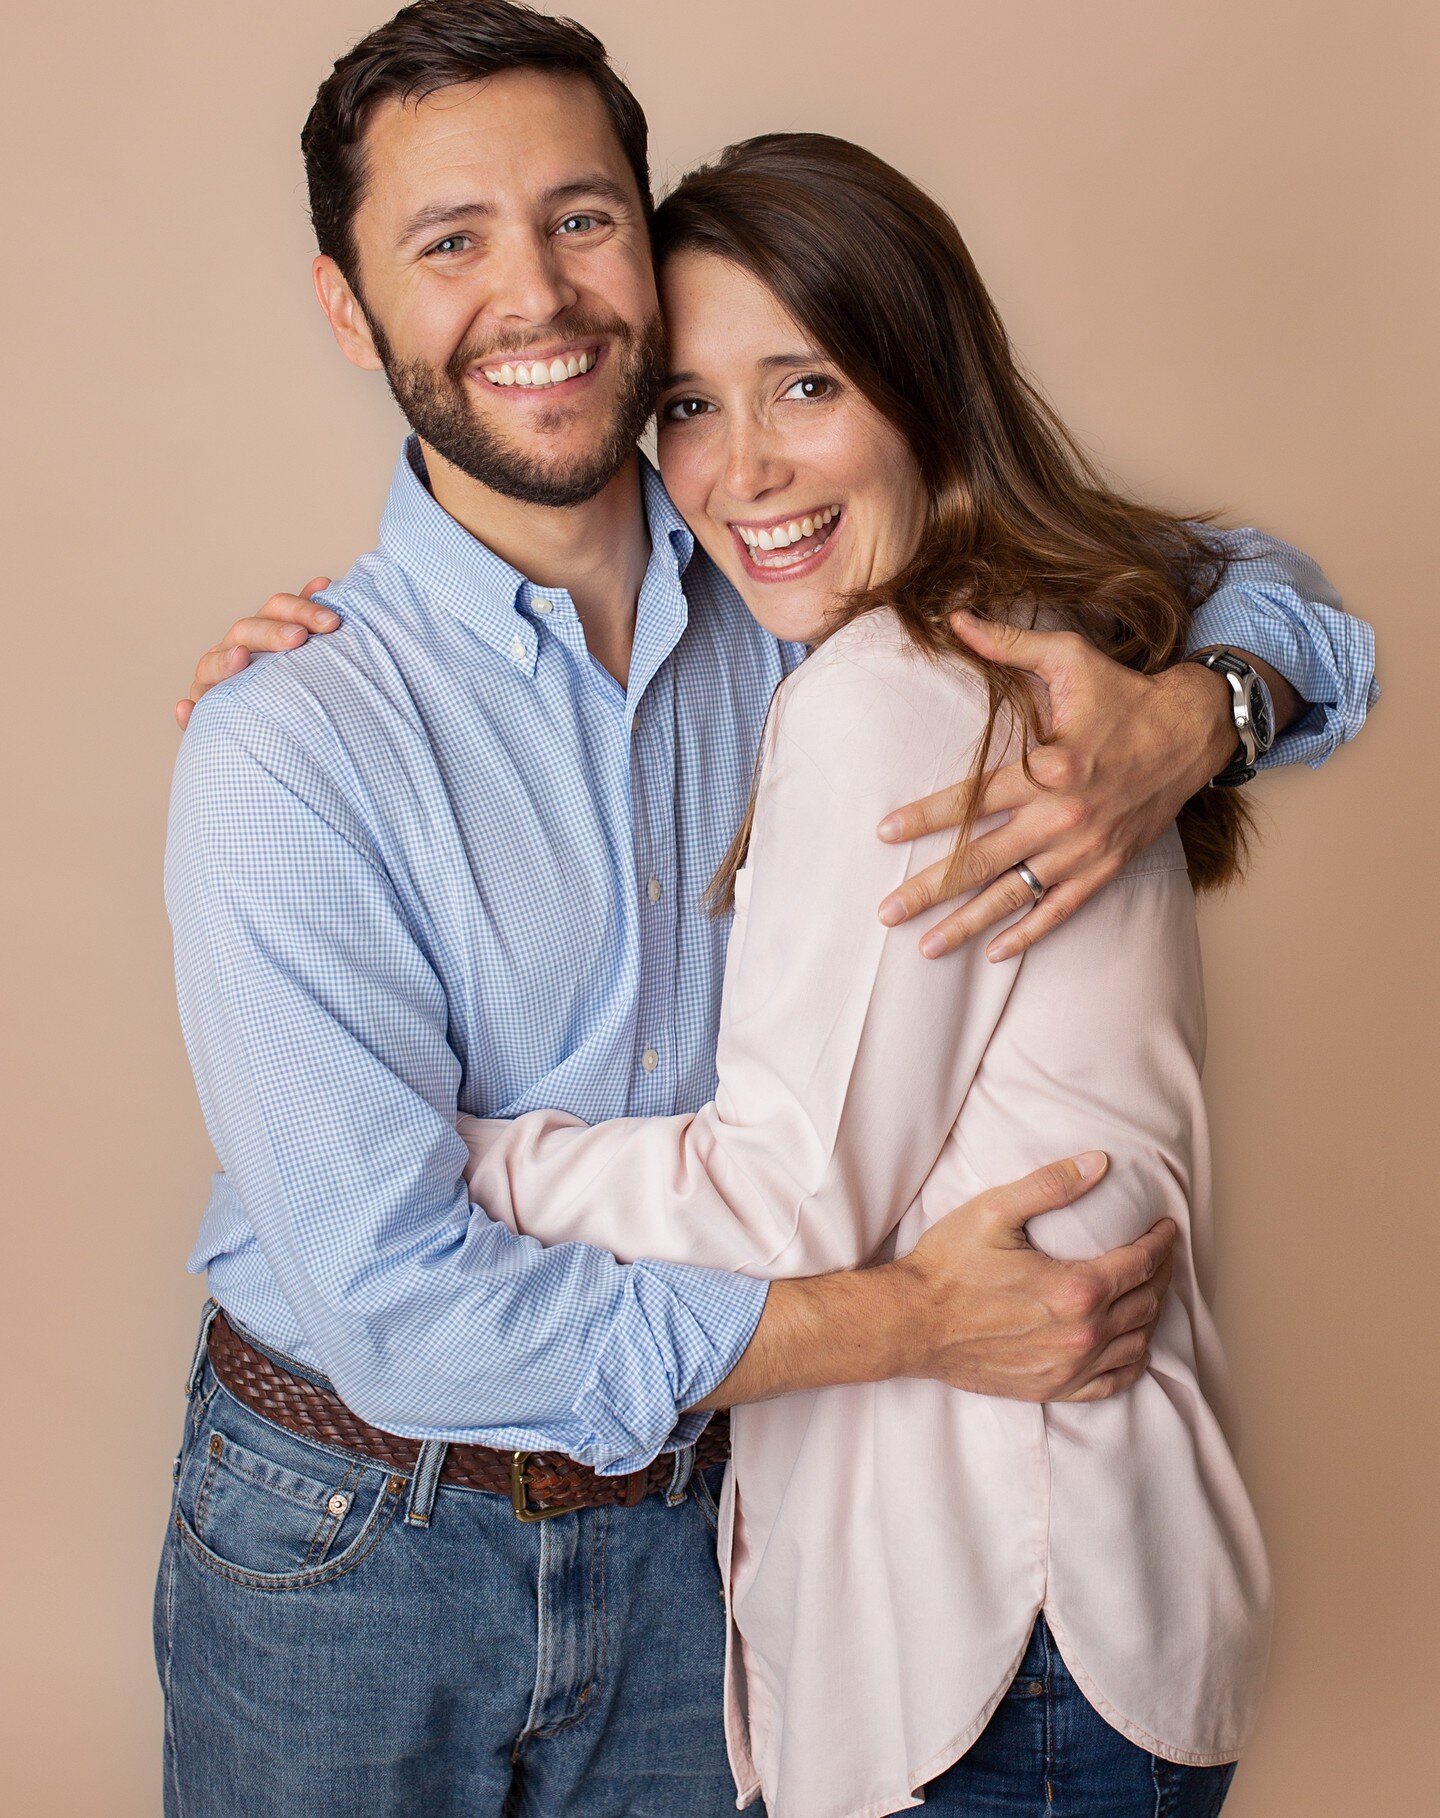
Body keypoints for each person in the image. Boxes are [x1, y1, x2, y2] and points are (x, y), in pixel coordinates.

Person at [161, 4, 1375, 1815]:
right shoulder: (295, 742)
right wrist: (907, 1321)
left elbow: (1260, 591)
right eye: (449, 240)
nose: (536, 293)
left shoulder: (809, 594)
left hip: (690, 1527)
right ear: (348, 306)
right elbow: (404, 1306)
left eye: (580, 217)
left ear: (641, 252)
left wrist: (1200, 714)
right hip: (362, 1531)